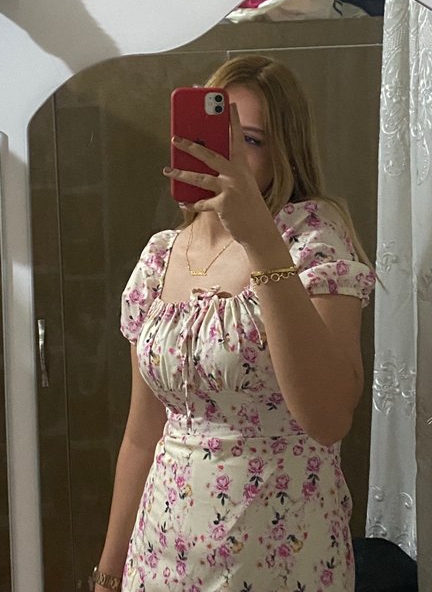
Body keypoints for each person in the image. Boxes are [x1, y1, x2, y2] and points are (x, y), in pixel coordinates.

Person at [91, 55, 377, 592]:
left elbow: (329, 417)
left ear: (283, 152)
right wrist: (108, 572)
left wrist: (261, 241)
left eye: (251, 141)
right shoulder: (160, 257)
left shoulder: (312, 239)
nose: (229, 157)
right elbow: (142, 434)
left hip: (279, 553)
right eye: (218, 137)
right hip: (162, 553)